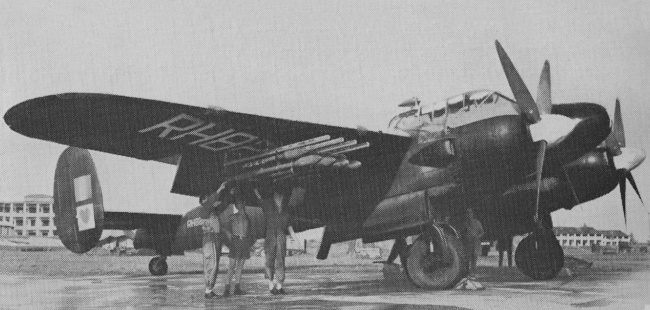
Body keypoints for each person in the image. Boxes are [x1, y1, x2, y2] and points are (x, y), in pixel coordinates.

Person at [255, 184, 298, 295]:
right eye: (277, 195)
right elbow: (259, 198)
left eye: (281, 195)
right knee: (269, 259)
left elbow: (288, 223)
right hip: (270, 235)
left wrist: (294, 236)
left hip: (281, 235)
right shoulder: (268, 205)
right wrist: (254, 189)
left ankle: (279, 286)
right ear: (274, 196)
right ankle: (270, 284)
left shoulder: (286, 209)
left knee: (280, 259)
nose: (279, 197)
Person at [222, 185, 252, 297]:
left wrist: (249, 243)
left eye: (240, 203)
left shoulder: (248, 217)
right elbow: (222, 226)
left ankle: (237, 288)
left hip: (244, 243)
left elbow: (250, 232)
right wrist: (228, 233)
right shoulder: (233, 216)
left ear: (243, 203)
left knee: (240, 266)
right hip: (235, 242)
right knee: (231, 266)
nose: (238, 205)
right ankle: (226, 289)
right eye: (236, 203)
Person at [200, 182, 228, 299]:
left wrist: (228, 196)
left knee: (213, 264)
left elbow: (221, 206)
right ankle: (208, 290)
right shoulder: (204, 209)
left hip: (214, 238)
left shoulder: (211, 211)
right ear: (203, 201)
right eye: (207, 198)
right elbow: (211, 201)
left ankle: (209, 290)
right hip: (210, 238)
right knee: (212, 264)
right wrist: (219, 189)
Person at [463, 208, 484, 279]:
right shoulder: (465, 224)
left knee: (474, 258)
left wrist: (477, 236)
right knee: (467, 258)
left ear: (472, 214)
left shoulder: (477, 222)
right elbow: (463, 233)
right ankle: (467, 273)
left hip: (475, 242)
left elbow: (482, 232)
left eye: (470, 213)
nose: (468, 215)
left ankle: (474, 273)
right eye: (467, 213)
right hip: (468, 243)